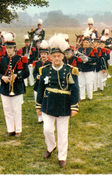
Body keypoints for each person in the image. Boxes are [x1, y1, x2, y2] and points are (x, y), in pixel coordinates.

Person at [36, 34, 79, 167]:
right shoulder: (44, 70)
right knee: (47, 130)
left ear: (63, 57)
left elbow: (75, 89)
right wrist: (38, 105)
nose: (56, 59)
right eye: (53, 56)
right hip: (48, 104)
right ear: (50, 57)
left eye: (58, 56)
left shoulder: (70, 71)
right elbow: (40, 88)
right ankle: (51, 147)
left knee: (62, 133)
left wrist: (74, 106)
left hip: (64, 105)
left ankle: (62, 156)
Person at [0, 32, 29, 138]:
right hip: (5, 88)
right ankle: (10, 129)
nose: (9, 50)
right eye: (7, 48)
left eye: (11, 48)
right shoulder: (3, 59)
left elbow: (26, 73)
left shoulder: (20, 59)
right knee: (7, 110)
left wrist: (17, 75)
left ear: (15, 48)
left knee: (16, 110)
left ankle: (18, 130)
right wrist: (2, 77)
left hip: (17, 88)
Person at [32, 40, 51, 124]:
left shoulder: (50, 64)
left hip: (46, 85)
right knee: (38, 100)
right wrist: (36, 76)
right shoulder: (38, 63)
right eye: (42, 54)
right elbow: (34, 72)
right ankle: (40, 117)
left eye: (44, 54)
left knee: (46, 100)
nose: (43, 56)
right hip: (38, 85)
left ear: (47, 55)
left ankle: (46, 116)